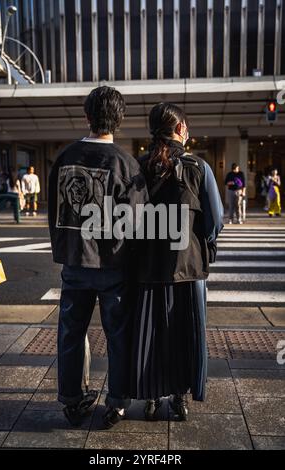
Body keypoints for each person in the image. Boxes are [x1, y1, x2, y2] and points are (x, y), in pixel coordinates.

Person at [48, 86, 148, 428]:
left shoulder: (64, 157)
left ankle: (72, 400)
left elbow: (54, 210)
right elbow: (137, 222)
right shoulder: (125, 163)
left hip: (75, 262)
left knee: (70, 332)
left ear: (87, 116)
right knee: (118, 333)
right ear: (119, 121)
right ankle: (117, 402)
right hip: (113, 265)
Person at [130, 103, 224, 421]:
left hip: (146, 269)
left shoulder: (138, 167)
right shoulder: (198, 166)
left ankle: (152, 397)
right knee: (186, 332)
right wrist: (206, 242)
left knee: (151, 332)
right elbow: (215, 220)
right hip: (188, 268)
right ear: (181, 129)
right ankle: (180, 397)